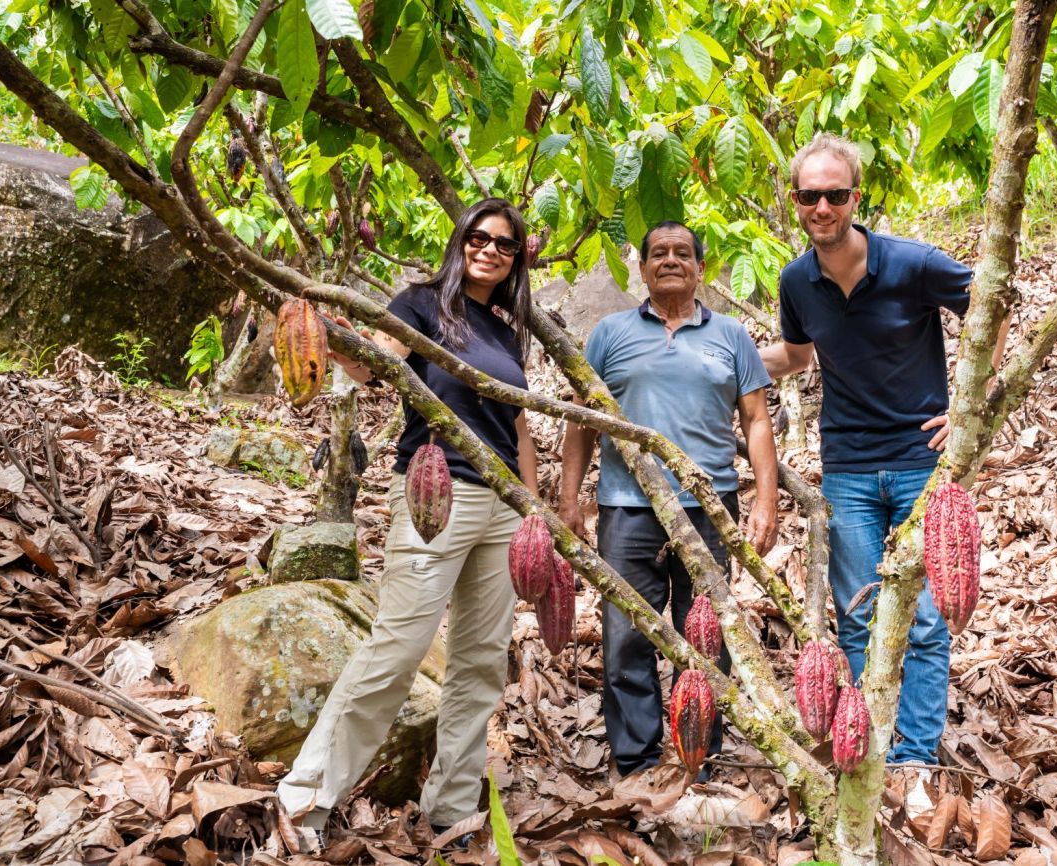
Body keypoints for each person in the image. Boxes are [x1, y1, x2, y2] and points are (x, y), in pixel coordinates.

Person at [276, 198, 539, 841]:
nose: (489, 250)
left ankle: (449, 807)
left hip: (504, 506)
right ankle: (307, 796)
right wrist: (337, 341)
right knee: (398, 646)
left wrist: (536, 510)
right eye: (479, 238)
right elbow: (377, 362)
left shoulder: (506, 331)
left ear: (515, 259)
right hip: (437, 494)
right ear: (460, 241)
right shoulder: (421, 303)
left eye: (504, 245)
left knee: (480, 662)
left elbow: (519, 424)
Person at [759, 134, 1007, 799]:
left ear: (855, 198)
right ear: (796, 200)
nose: (822, 207)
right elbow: (795, 356)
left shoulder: (911, 264)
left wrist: (969, 407)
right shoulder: (795, 280)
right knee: (859, 616)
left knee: (924, 620)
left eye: (834, 195)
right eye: (809, 196)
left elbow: (991, 302)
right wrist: (718, 367)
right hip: (846, 468)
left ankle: (915, 758)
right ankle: (865, 743)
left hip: (921, 466)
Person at [560, 221, 779, 778]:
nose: (671, 260)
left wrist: (766, 500)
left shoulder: (730, 335)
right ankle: (635, 761)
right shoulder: (609, 334)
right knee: (625, 634)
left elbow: (755, 421)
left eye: (683, 252)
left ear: (700, 268)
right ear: (642, 268)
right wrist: (568, 498)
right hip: (626, 507)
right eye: (659, 253)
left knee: (704, 631)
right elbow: (582, 425)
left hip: (709, 507)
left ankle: (697, 755)